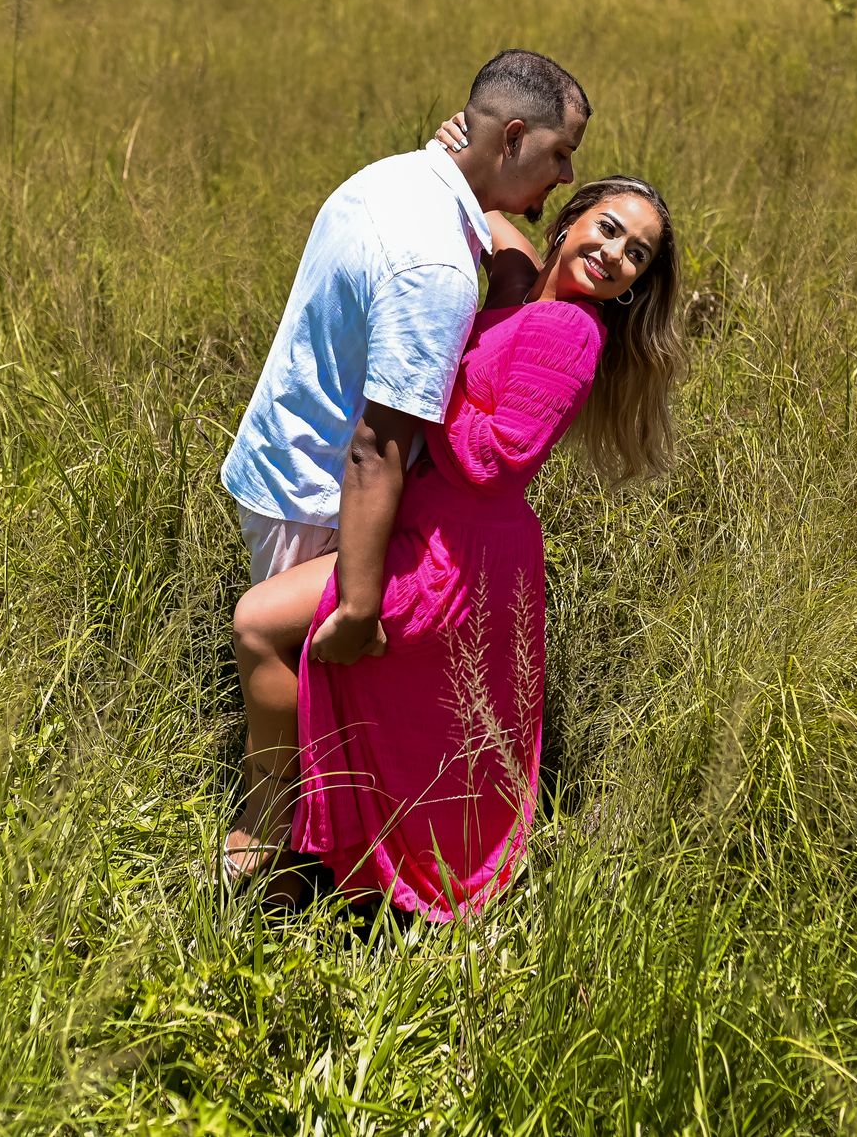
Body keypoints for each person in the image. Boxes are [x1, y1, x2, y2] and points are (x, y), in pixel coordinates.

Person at [233, 174, 683, 917]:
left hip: (458, 552)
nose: (614, 255)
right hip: (434, 527)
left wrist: (416, 380)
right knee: (387, 705)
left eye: (636, 254)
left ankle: (268, 829)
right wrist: (462, 161)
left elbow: (495, 458)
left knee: (260, 622)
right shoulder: (523, 294)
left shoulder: (570, 332)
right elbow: (495, 215)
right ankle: (317, 863)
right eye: (608, 228)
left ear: (636, 283)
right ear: (570, 218)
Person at [222, 51, 591, 880]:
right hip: (325, 492)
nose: (567, 176)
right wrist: (360, 601)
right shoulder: (435, 266)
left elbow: (501, 238)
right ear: (514, 136)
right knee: (316, 670)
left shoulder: (394, 179)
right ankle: (280, 852)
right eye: (561, 153)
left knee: (325, 677)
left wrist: (502, 225)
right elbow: (377, 446)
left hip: (284, 454)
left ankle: (318, 848)